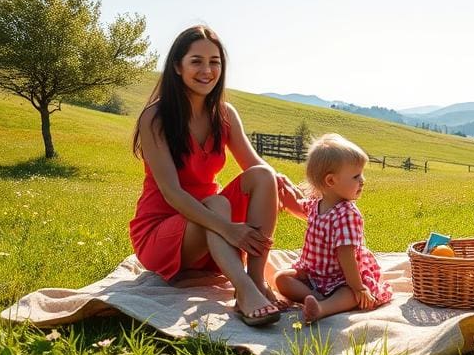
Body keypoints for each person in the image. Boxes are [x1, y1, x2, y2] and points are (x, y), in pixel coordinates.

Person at [129, 26, 303, 327]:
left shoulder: (225, 114)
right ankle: (245, 292)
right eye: (196, 61)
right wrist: (229, 229)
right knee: (217, 204)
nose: (207, 70)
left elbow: (257, 167)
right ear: (177, 66)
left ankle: (256, 280)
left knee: (263, 176)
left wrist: (317, 210)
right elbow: (171, 192)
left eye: (215, 62)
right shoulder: (156, 117)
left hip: (215, 235)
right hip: (164, 233)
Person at [275, 133, 392, 322]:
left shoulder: (347, 214)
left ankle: (321, 308)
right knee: (281, 278)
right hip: (314, 274)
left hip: (343, 277)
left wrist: (359, 287)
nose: (362, 181)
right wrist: (281, 186)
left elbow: (346, 256)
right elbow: (296, 206)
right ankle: (316, 299)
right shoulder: (316, 205)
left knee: (349, 295)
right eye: (356, 176)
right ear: (330, 181)